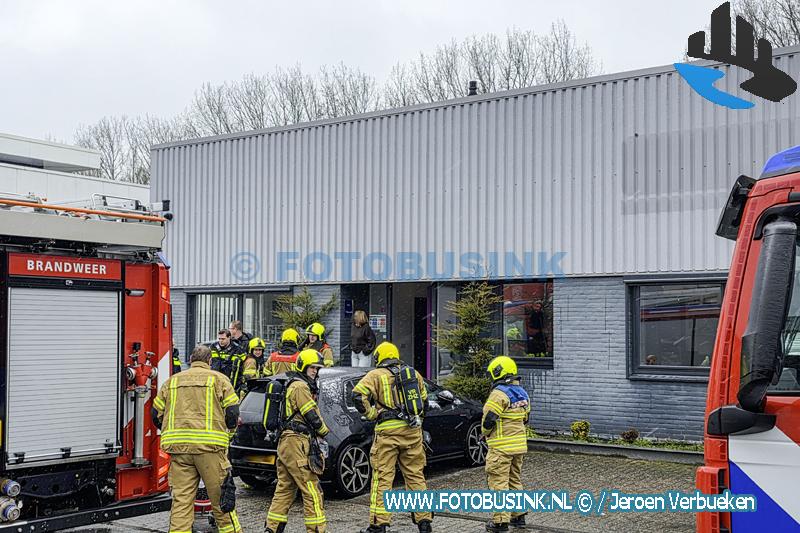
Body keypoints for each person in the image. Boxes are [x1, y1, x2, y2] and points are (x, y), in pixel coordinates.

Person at [151, 344, 242, 533]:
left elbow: (155, 414)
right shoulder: (219, 379)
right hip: (211, 450)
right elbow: (232, 414)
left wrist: (172, 432)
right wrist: (228, 435)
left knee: (181, 503)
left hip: (179, 451)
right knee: (222, 501)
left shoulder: (172, 381)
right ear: (210, 361)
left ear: (191, 360)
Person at [351, 341, 433, 533]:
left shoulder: (375, 375)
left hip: (387, 434)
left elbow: (357, 396)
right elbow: (424, 403)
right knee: (415, 476)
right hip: (412, 433)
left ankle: (379, 524)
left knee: (383, 479)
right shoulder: (413, 374)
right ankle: (424, 522)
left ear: (379, 357)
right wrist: (417, 422)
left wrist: (372, 414)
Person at [265, 349, 329, 533]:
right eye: (312, 367)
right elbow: (311, 414)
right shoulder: (300, 386)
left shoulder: (294, 384)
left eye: (317, 368)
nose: (315, 371)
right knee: (311, 488)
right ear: (303, 366)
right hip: (296, 441)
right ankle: (317, 529)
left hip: (288, 443)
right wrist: (324, 431)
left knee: (285, 488)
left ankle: (272, 528)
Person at [483, 355, 531, 532]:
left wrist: (484, 434)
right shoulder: (523, 393)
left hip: (501, 447)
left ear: (498, 373)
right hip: (519, 446)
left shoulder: (498, 394)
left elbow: (488, 421)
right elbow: (525, 418)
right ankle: (519, 516)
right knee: (514, 479)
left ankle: (500, 522)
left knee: (498, 483)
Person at [211, 329, 246, 393]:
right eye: (219, 339)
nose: (220, 341)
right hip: (215, 380)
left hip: (230, 382)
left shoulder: (237, 349)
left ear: (229, 337)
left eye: (223, 339)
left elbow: (242, 367)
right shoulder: (213, 347)